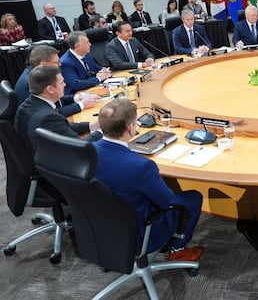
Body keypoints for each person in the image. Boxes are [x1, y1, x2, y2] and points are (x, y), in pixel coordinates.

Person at [93, 98, 204, 261]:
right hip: (139, 228)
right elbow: (166, 202)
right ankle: (178, 249)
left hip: (100, 222)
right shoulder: (141, 166)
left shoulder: (88, 150)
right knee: (193, 198)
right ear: (131, 128)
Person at [14, 66, 102, 154]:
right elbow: (80, 146)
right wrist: (102, 131)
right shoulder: (48, 117)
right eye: (61, 82)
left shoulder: (29, 104)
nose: (65, 85)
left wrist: (91, 126)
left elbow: (61, 127)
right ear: (50, 89)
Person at [15, 45, 100, 116]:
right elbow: (53, 112)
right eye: (56, 62)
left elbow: (58, 101)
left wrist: (77, 98)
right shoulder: (32, 82)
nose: (60, 64)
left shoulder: (39, 74)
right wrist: (81, 105)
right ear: (43, 64)